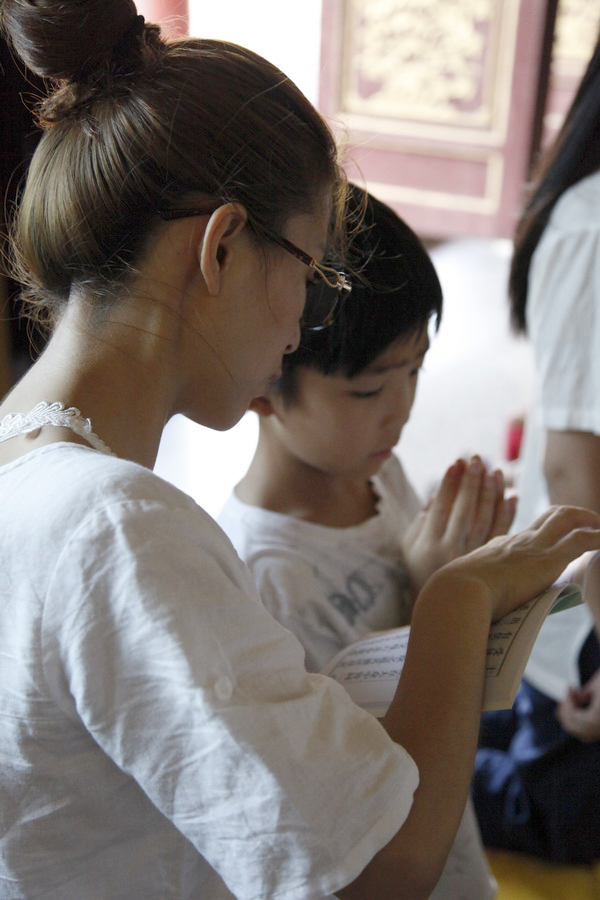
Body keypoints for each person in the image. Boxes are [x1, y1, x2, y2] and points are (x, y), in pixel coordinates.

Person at [1, 3, 599, 899]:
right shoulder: (118, 528)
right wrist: (458, 594)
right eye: (312, 278)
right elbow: (378, 870)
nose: (298, 332)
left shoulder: (24, 444)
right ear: (224, 248)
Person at [217, 186, 520, 898]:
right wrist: (440, 595)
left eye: (414, 371)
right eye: (368, 391)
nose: (402, 413)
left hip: (453, 850)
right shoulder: (263, 578)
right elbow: (356, 777)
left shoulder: (379, 478)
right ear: (265, 379)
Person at [472, 33, 600, 865]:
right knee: (564, 823)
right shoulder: (592, 224)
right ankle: (413, 748)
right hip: (583, 612)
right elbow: (571, 465)